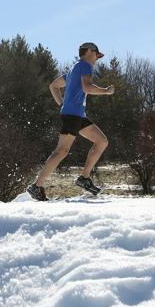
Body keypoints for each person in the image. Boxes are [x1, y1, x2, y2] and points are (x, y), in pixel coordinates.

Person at [27, 42, 114, 201]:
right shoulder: (85, 66)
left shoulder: (74, 69)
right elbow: (87, 88)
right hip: (73, 115)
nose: (97, 58)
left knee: (101, 141)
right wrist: (106, 91)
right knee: (62, 151)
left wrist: (62, 104)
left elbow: (53, 86)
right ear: (88, 51)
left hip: (78, 115)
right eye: (96, 54)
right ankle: (36, 186)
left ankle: (84, 178)